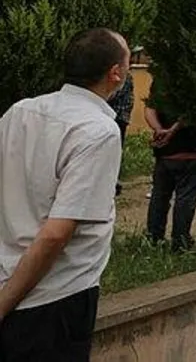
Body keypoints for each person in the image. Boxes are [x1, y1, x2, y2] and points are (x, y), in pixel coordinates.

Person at [0, 29, 129, 360]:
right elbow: (56, 234)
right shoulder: (99, 131)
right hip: (54, 299)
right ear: (116, 73)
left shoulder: (21, 111)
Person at [144, 82, 196, 251]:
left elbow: (150, 108)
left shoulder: (161, 79)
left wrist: (159, 129)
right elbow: (192, 112)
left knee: (159, 196)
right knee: (185, 199)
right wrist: (171, 131)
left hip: (165, 151)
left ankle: (153, 239)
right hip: (192, 149)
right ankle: (180, 243)